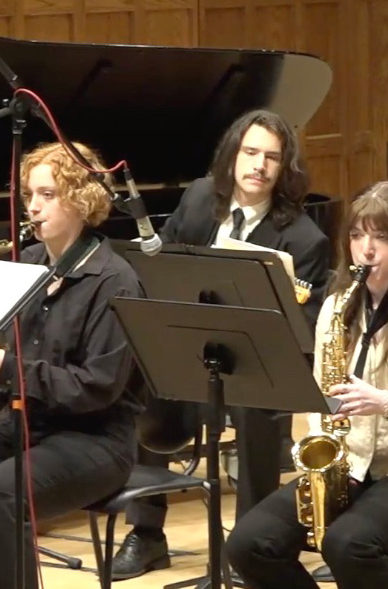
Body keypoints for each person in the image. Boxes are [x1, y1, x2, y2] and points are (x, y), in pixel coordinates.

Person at [224, 179, 388, 589]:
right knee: (248, 544)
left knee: (348, 543)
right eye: (358, 235)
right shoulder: (337, 306)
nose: (367, 249)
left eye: (381, 237)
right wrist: (318, 449)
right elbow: (319, 398)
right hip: (349, 468)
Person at [112, 109, 331, 580]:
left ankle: (248, 550)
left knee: (257, 411)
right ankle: (147, 533)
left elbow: (306, 327)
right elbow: (160, 265)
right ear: (233, 154)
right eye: (251, 152)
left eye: (272, 157)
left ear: (284, 167)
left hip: (256, 362)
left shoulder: (304, 236)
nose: (259, 165)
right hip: (193, 348)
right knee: (150, 375)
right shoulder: (197, 199)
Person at [0, 141, 143, 589]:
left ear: (81, 199)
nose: (33, 208)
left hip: (94, 438)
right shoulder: (27, 267)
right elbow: (12, 363)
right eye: (28, 196)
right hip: (26, 425)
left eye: (47, 195)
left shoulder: (115, 280)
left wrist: (6, 369)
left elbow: (97, 387)